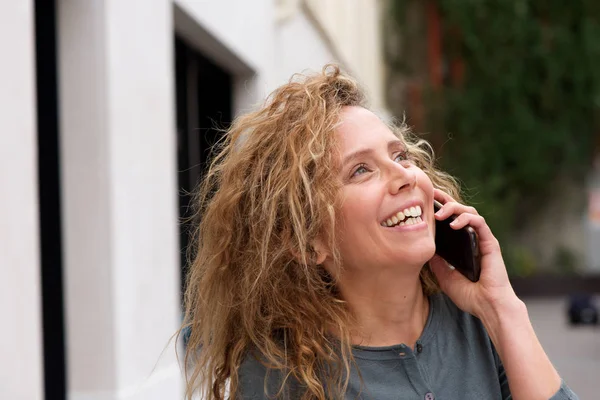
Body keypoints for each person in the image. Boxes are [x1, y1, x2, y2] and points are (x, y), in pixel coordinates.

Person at [179, 65, 578, 400]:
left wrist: (502, 309)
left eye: (400, 155)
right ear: (307, 241)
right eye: (361, 170)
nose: (404, 175)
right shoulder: (279, 374)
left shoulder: (477, 319)